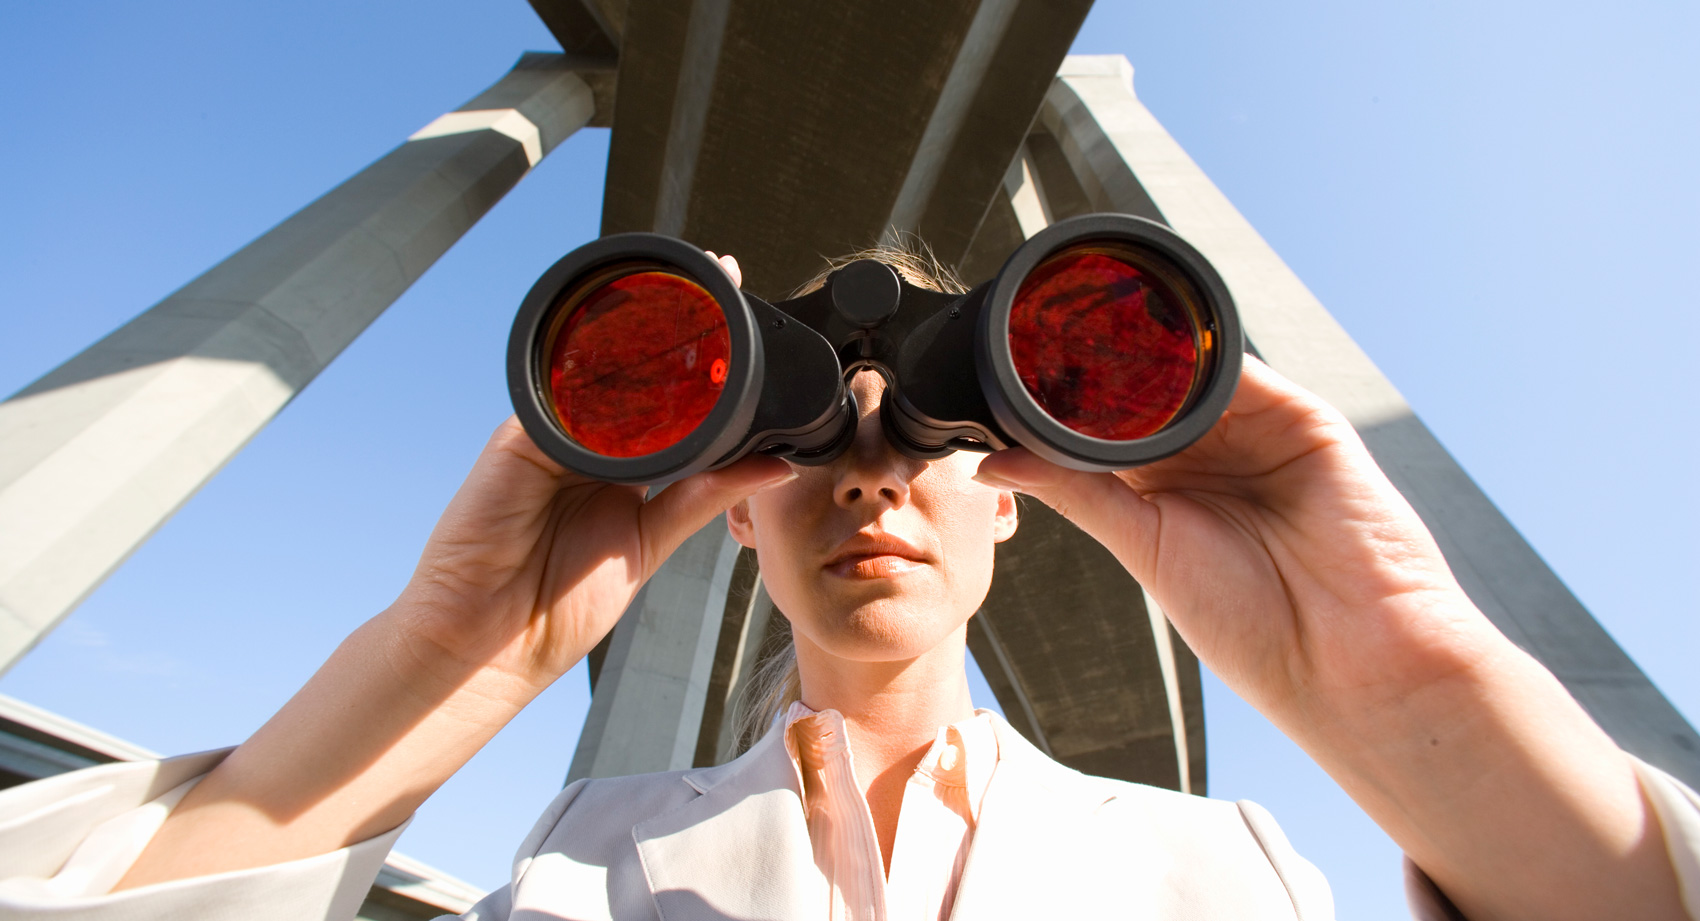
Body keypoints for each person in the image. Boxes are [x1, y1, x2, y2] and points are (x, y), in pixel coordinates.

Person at [1, 247, 1696, 921]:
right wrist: (461, 653)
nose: (869, 470)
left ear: (1022, 498)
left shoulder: (1218, 861)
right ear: (729, 507)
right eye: (805, 440)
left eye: (931, 436)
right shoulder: (586, 859)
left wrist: (1411, 688)